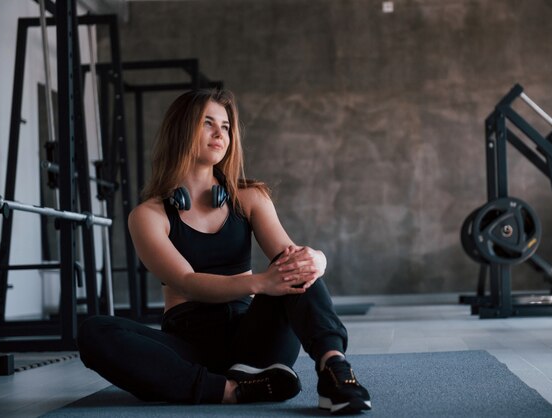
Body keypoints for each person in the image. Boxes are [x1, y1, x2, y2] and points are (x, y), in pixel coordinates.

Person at [77, 89, 371, 415]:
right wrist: (260, 283)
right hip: (189, 347)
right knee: (95, 332)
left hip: (253, 344)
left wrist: (317, 259)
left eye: (226, 126)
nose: (221, 134)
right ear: (181, 129)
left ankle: (334, 371)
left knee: (294, 266)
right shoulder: (149, 216)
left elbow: (292, 257)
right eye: (208, 123)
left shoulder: (249, 198)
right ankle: (230, 391)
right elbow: (186, 281)